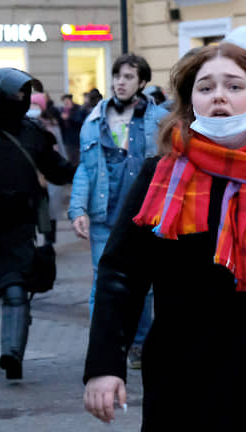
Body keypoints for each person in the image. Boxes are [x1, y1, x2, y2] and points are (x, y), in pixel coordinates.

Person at [82, 42, 246, 430]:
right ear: (191, 103)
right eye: (205, 88)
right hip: (188, 383)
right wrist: (105, 366)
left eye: (234, 86)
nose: (219, 96)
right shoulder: (160, 176)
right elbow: (121, 274)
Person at [68, 54, 167, 369]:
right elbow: (85, 169)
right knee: (102, 283)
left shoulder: (157, 121)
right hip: (104, 215)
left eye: (128, 77)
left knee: (146, 285)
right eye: (117, 76)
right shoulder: (94, 119)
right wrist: (77, 209)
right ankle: (105, 346)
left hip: (145, 215)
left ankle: (139, 344)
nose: (121, 82)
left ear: (141, 83)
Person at [0, 68, 75, 379]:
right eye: (15, 94)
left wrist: (86, 171)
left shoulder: (32, 133)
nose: (21, 99)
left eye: (24, 94)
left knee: (14, 290)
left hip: (18, 225)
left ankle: (12, 355)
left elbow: (57, 170)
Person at [28, 92, 69, 244]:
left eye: (36, 105)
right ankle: (32, 241)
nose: (33, 108)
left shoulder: (51, 124)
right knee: (33, 209)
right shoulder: (24, 125)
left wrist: (64, 169)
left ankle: (49, 242)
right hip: (32, 174)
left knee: (51, 209)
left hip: (51, 171)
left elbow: (60, 148)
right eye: (31, 104)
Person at [60, 94, 85, 164]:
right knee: (69, 158)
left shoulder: (78, 110)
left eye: (67, 101)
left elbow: (79, 121)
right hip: (67, 139)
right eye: (64, 102)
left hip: (76, 138)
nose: (66, 103)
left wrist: (68, 118)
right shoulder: (62, 110)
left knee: (77, 159)